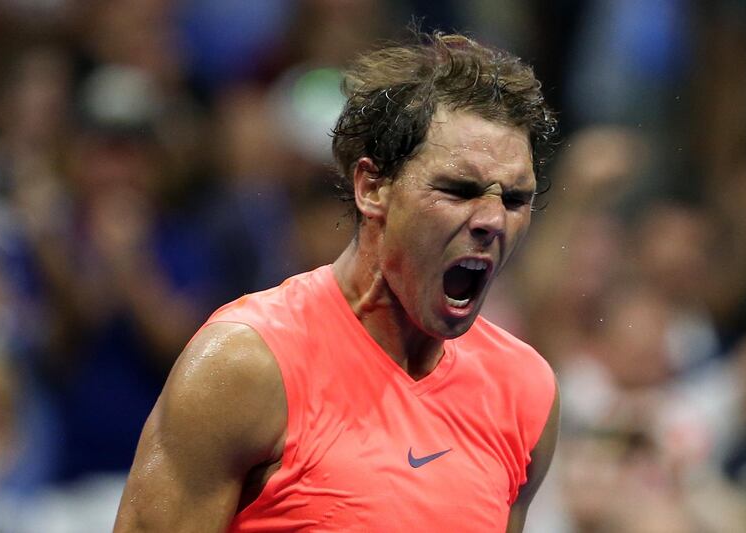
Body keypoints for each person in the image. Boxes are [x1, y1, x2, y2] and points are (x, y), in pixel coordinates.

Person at [114, 31, 560, 532]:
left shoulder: (525, 392)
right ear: (371, 188)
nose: (493, 221)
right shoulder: (246, 366)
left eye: (515, 200)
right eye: (459, 189)